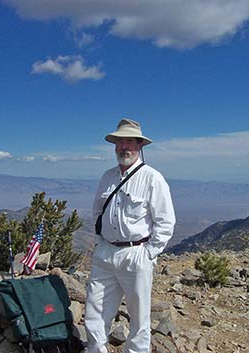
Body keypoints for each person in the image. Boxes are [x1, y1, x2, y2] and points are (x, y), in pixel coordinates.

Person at [85, 118, 176, 353]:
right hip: (105, 252)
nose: (124, 146)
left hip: (136, 253)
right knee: (95, 311)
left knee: (139, 316)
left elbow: (165, 221)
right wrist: (99, 242)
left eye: (129, 142)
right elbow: (97, 211)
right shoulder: (107, 177)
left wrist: (149, 253)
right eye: (120, 141)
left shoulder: (152, 178)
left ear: (139, 146)